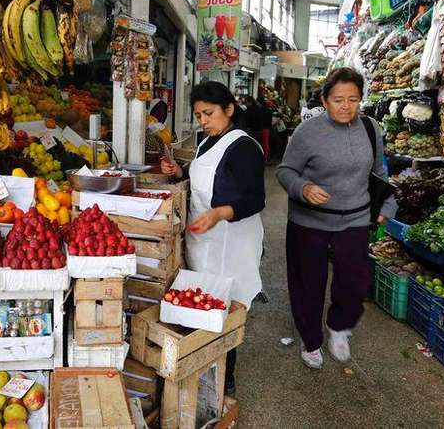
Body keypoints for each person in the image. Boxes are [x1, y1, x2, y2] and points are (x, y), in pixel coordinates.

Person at [276, 67, 397, 370]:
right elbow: (284, 171)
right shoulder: (308, 132)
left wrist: (388, 205)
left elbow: (380, 174)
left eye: (353, 99)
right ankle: (311, 339)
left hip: (354, 219)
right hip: (309, 221)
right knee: (308, 283)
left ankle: (339, 327)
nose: (346, 106)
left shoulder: (371, 129)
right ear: (324, 100)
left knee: (355, 282)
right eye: (338, 99)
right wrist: (303, 187)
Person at [161, 81, 265, 394]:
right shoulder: (208, 142)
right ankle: (204, 366)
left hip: (231, 244)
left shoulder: (244, 147)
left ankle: (225, 376)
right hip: (205, 240)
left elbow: (255, 199)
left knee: (224, 309)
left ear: (229, 110)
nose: (203, 120)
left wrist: (219, 213)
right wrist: (178, 173)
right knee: (204, 306)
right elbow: (201, 178)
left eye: (209, 113)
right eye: (199, 115)